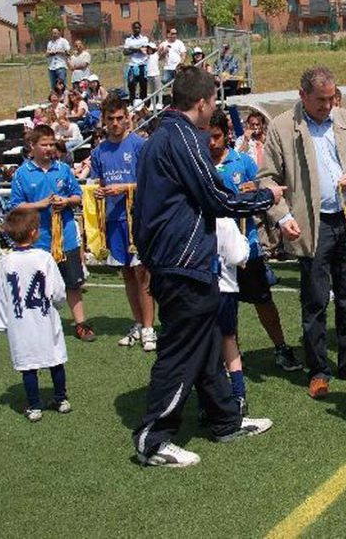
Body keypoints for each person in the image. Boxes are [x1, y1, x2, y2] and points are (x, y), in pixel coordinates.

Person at [131, 65, 283, 468]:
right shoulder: (183, 137)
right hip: (183, 261)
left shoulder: (158, 137)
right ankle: (152, 438)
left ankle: (225, 419)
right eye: (214, 100)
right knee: (180, 350)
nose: (215, 108)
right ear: (201, 103)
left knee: (208, 340)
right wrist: (265, 197)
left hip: (174, 259)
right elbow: (217, 199)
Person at [257, 66, 346, 399]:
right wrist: (282, 217)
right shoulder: (281, 127)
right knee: (315, 300)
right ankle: (319, 370)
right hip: (313, 225)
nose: (328, 105)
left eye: (332, 98)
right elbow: (267, 179)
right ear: (302, 96)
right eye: (321, 100)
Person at [206, 109, 301, 371]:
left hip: (247, 245)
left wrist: (255, 190)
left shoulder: (244, 162)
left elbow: (266, 193)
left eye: (216, 136)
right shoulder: (199, 164)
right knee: (224, 303)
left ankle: (281, 348)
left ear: (227, 135)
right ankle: (232, 356)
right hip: (214, 248)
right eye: (207, 137)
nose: (211, 143)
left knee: (262, 299)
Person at [9, 125, 95, 341]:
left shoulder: (63, 169)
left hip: (66, 238)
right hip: (38, 241)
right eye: (44, 144)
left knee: (73, 283)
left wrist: (66, 201)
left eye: (51, 144)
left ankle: (81, 324)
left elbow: (78, 196)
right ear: (32, 145)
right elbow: (15, 206)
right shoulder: (22, 174)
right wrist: (40, 204)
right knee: (39, 285)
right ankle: (42, 325)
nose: (49, 148)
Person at [0, 209, 71, 423]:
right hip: (45, 318)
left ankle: (35, 406)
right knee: (55, 359)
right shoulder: (44, 258)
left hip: (20, 322)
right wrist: (59, 305)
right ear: (34, 232)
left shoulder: (6, 262)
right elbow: (58, 290)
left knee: (28, 365)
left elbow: (1, 294)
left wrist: (1, 322)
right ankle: (61, 399)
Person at [90, 95, 155, 351]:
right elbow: (97, 183)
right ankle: (138, 322)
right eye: (111, 119)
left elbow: (151, 182)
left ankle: (149, 327)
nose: (116, 123)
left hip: (138, 218)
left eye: (120, 118)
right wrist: (97, 191)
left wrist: (125, 188)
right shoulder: (99, 152)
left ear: (127, 117)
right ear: (104, 121)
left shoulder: (139, 145)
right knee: (127, 273)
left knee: (143, 273)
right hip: (114, 220)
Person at [216, 216, 251, 414]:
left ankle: (206, 402)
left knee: (203, 344)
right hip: (224, 289)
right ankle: (239, 395)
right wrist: (244, 243)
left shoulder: (189, 217)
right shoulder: (225, 221)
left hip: (198, 291)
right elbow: (237, 257)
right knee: (228, 340)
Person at [123, 21, 149, 101]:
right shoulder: (128, 40)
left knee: (143, 85)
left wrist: (132, 49)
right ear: (132, 29)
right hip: (132, 65)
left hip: (142, 65)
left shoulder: (144, 39)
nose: (136, 29)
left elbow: (145, 49)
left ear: (140, 28)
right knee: (131, 84)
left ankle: (143, 102)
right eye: (135, 28)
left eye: (138, 28)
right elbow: (125, 52)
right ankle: (132, 102)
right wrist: (138, 49)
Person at [45, 27, 70, 92]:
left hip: (60, 66)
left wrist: (59, 52)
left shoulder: (63, 41)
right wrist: (50, 53)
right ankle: (55, 97)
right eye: (53, 33)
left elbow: (68, 53)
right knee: (53, 86)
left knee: (62, 84)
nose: (54, 35)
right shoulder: (50, 43)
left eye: (55, 33)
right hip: (51, 67)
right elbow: (46, 54)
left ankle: (65, 96)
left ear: (59, 33)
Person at [145, 42, 161, 107]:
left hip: (156, 74)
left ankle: (160, 103)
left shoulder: (156, 55)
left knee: (158, 90)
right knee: (152, 91)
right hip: (149, 75)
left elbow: (160, 49)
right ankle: (152, 103)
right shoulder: (146, 56)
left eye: (150, 48)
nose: (149, 49)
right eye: (148, 48)